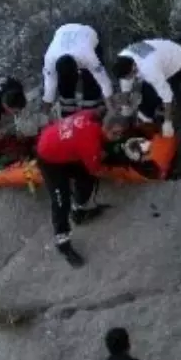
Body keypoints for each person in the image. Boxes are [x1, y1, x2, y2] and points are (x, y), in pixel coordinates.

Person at [35, 111, 129, 267]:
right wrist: (117, 177)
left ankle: (78, 211)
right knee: (60, 201)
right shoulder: (90, 142)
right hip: (48, 158)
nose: (118, 137)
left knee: (86, 178)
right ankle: (62, 243)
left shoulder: (91, 116)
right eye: (117, 134)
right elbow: (97, 170)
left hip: (59, 147)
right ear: (107, 128)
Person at [112, 39, 181, 162]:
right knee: (145, 108)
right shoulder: (123, 59)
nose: (130, 79)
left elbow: (167, 97)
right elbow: (126, 85)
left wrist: (167, 122)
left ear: (134, 68)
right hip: (160, 61)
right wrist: (125, 106)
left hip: (179, 64)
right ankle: (147, 141)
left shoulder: (149, 69)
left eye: (130, 76)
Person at [42, 23, 115, 117]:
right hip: (62, 31)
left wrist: (112, 110)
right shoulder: (49, 59)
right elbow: (49, 90)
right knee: (65, 92)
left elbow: (104, 82)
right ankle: (68, 116)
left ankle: (91, 113)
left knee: (91, 85)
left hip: (88, 34)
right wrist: (44, 116)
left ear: (78, 70)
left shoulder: (89, 56)